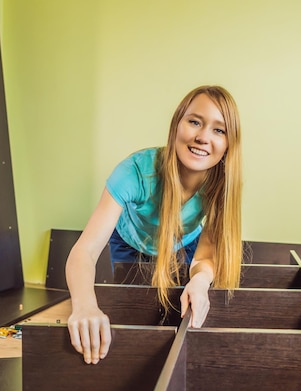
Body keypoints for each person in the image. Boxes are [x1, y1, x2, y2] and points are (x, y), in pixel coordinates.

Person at [65, 85, 243, 364]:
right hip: (130, 240)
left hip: (184, 242)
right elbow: (84, 252)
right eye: (195, 121)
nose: (202, 137)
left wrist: (200, 279)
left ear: (229, 143)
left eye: (218, 130)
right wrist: (85, 306)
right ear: (176, 125)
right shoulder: (134, 172)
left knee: (179, 307)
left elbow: (207, 255)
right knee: (135, 309)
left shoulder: (220, 185)